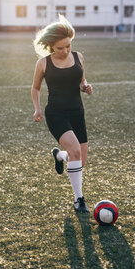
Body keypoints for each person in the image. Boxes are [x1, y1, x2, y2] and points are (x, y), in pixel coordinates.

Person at [31, 15, 92, 213]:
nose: (65, 51)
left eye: (68, 46)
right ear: (50, 46)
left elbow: (81, 81)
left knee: (79, 160)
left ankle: (60, 156)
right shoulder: (43, 63)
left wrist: (86, 86)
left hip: (77, 112)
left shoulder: (78, 57)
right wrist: (37, 108)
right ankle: (78, 199)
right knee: (75, 150)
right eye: (60, 48)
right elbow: (35, 88)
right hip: (56, 113)